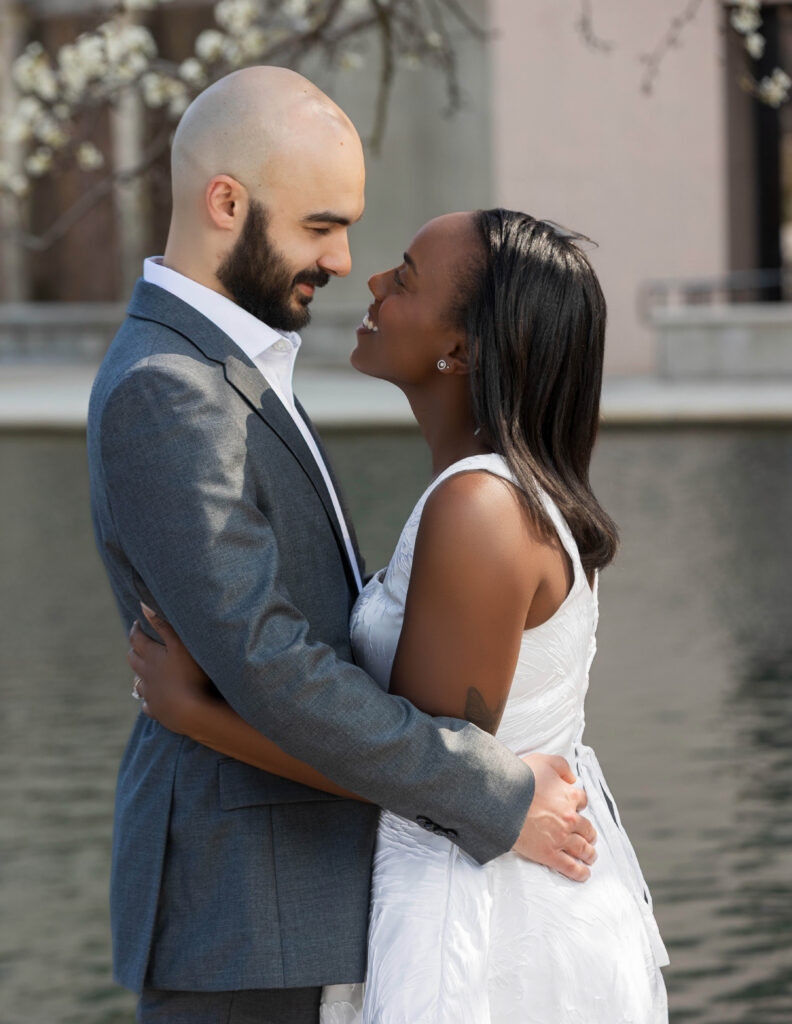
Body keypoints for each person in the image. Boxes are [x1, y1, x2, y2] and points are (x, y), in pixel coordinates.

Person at [88, 66, 596, 1024]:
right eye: (320, 225)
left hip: (303, 905)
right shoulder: (172, 388)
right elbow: (267, 662)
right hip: (245, 915)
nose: (343, 258)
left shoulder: (232, 366)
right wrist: (496, 794)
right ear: (227, 203)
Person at [129, 209, 670, 1022]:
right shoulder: (494, 493)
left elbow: (418, 772)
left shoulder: (480, 510)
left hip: (483, 923)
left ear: (464, 348)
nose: (374, 281)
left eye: (407, 278)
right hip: (496, 888)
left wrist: (192, 712)